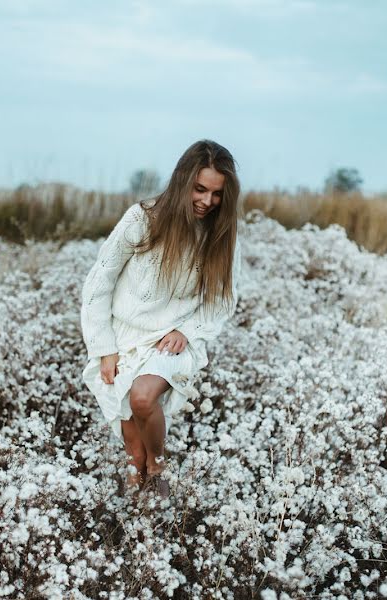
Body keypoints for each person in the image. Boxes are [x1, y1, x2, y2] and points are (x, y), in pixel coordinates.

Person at [80, 139, 242, 499]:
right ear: (183, 180)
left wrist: (187, 329)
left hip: (168, 341)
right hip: (122, 337)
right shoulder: (143, 218)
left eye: (217, 194)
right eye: (200, 189)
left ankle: (159, 465)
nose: (207, 201)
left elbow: (222, 299)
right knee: (131, 460)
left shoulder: (221, 234)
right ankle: (143, 525)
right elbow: (98, 283)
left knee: (142, 399)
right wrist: (104, 347)